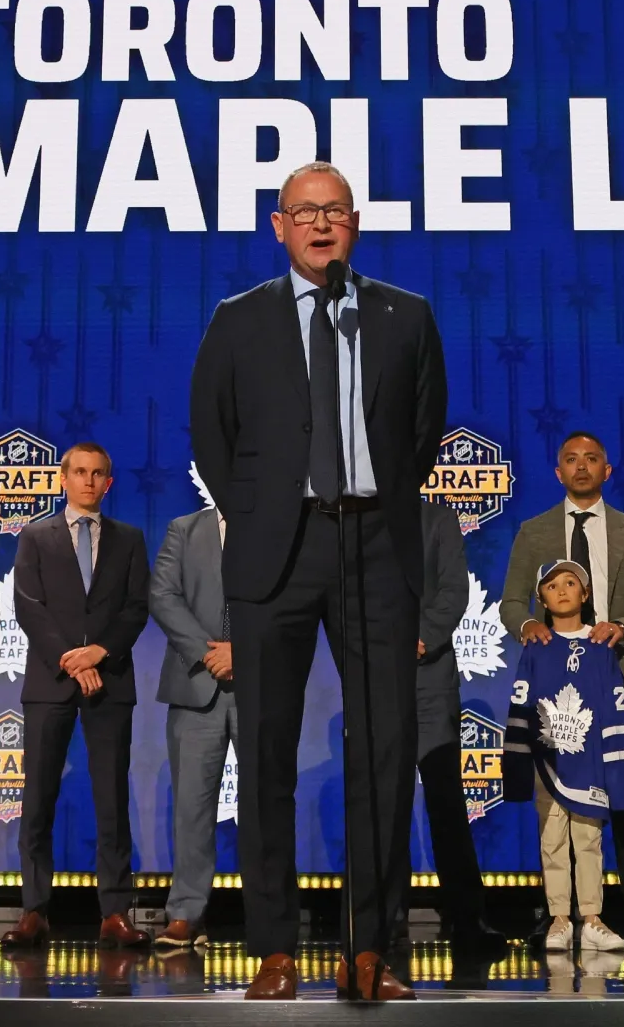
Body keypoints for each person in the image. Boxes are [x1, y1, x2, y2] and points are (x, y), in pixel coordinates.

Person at [188, 160, 447, 1002]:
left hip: (376, 546)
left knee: (382, 750)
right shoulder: (238, 320)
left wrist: (370, 502)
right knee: (266, 752)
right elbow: (211, 436)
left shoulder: (404, 316)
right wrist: (266, 514)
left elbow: (424, 429)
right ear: (278, 225)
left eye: (334, 211)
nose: (320, 224)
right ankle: (273, 949)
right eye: (305, 212)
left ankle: (370, 949)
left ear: (356, 223)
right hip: (278, 551)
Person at [500, 431, 624, 947]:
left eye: (591, 459)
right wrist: (526, 626)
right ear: (557, 472)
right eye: (571, 460)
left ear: (607, 470)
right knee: (552, 802)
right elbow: (511, 603)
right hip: (553, 693)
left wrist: (621, 626)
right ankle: (556, 914)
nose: (581, 467)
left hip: (619, 679)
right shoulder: (533, 532)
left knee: (621, 796)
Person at [0, 443, 152, 949]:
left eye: (98, 474)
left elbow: (135, 609)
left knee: (112, 799)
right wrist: (72, 658)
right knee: (38, 797)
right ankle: (35, 910)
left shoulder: (129, 540)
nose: (88, 481)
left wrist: (99, 654)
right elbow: (28, 606)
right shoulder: (36, 537)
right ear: (63, 479)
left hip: (110, 682)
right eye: (79, 472)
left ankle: (115, 912)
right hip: (51, 682)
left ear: (109, 482)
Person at [503, 560, 624, 953]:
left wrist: (616, 764)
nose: (561, 591)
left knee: (588, 837)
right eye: (550, 585)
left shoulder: (601, 647)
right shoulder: (535, 646)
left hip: (589, 761)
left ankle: (593, 917)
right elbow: (521, 700)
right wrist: (518, 759)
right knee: (552, 837)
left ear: (585, 594)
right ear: (540, 597)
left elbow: (614, 705)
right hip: (548, 761)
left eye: (570, 583)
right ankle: (559, 917)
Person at [407, 500, 499, 951]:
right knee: (376, 807)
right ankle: (374, 927)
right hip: (372, 677)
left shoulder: (436, 518)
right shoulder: (352, 519)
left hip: (429, 675)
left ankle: (468, 919)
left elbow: (452, 591)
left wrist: (418, 637)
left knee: (446, 802)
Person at [149, 499, 231, 950]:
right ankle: (185, 913)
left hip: (259, 684)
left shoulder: (276, 526)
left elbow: (289, 599)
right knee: (192, 808)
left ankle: (267, 917)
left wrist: (243, 652)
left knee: (266, 807)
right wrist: (208, 651)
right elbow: (162, 594)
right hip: (196, 683)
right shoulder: (183, 527)